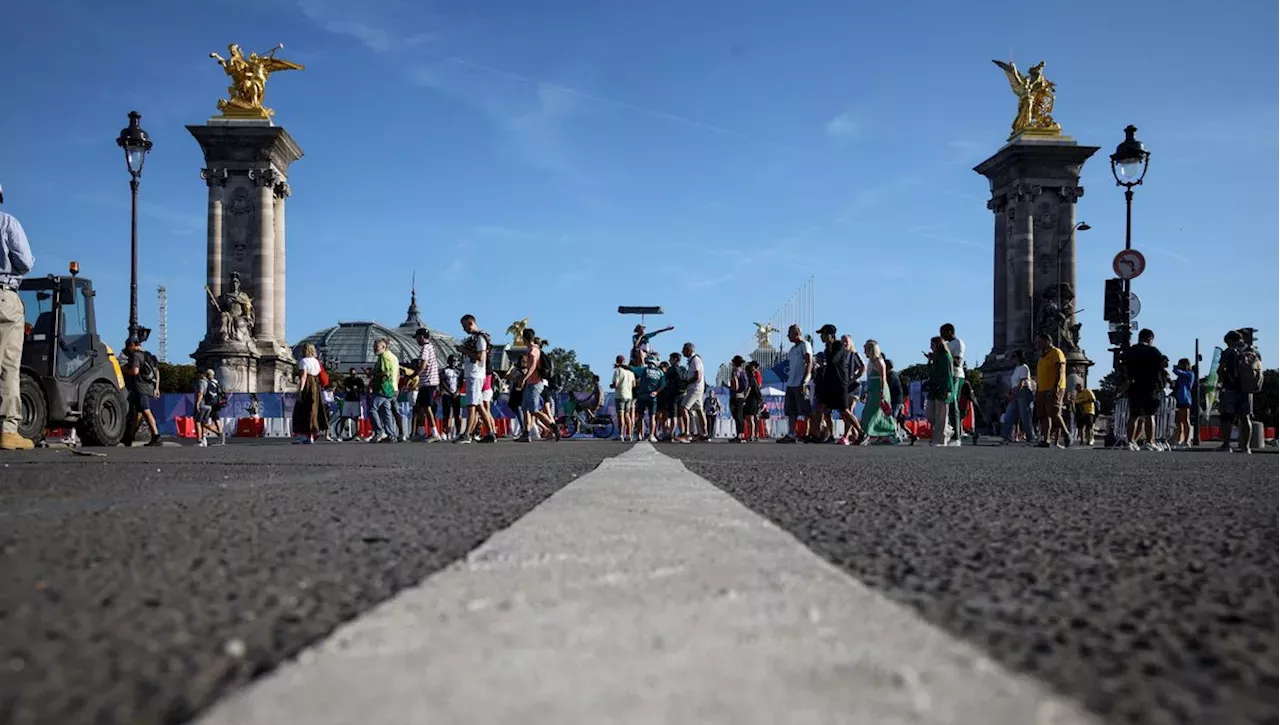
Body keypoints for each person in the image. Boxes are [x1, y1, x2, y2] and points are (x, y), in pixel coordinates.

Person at [0, 185, 34, 450]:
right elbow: (23, 261)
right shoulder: (7, 222)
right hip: (4, 296)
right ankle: (8, 429)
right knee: (7, 365)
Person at [1217, 329, 1261, 455]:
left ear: (1230, 340)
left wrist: (1221, 379)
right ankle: (1246, 447)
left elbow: (1221, 369)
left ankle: (1226, 445)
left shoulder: (1229, 350)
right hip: (1247, 389)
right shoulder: (1253, 350)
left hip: (1230, 387)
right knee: (1245, 417)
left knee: (1226, 417)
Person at [1123, 328, 1164, 451]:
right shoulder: (1153, 351)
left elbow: (1125, 368)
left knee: (1134, 415)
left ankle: (1130, 442)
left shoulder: (1131, 351)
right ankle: (1150, 441)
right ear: (1149, 339)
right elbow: (1161, 367)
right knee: (1149, 415)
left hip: (1135, 386)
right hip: (1150, 386)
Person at [458, 315, 497, 444]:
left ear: (470, 323)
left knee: (471, 405)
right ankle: (491, 433)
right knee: (479, 406)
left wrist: (464, 350)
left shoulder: (480, 338)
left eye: (465, 326)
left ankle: (467, 434)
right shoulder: (476, 338)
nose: (464, 330)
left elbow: (480, 356)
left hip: (475, 374)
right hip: (474, 374)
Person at [516, 327, 559, 443]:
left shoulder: (533, 350)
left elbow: (533, 366)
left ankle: (553, 426)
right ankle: (526, 433)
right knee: (525, 409)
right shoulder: (530, 349)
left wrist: (525, 378)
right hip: (531, 383)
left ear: (524, 338)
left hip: (535, 384)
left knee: (534, 410)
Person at [1034, 332, 1070, 448]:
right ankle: (1046, 439)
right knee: (1043, 415)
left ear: (1046, 341)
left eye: (1039, 342)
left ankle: (1066, 434)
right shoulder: (1041, 357)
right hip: (1042, 389)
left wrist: (1056, 387)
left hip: (1053, 387)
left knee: (1054, 412)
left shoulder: (1056, 353)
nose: (1037, 344)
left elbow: (1060, 371)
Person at [859, 340, 899, 444]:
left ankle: (890, 433)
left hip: (879, 390)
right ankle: (879, 434)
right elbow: (869, 379)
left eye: (866, 349)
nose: (864, 352)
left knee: (875, 413)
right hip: (872, 390)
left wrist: (881, 392)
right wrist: (866, 391)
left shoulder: (879, 361)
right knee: (869, 413)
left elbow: (883, 378)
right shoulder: (871, 362)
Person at [779, 325, 812, 444]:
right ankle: (791, 434)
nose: (788, 336)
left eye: (790, 333)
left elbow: (809, 362)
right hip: (791, 383)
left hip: (800, 382)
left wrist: (804, 380)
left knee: (805, 409)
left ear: (796, 333)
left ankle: (811, 433)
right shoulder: (792, 350)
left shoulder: (805, 345)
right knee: (791, 411)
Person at [292, 343, 329, 444]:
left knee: (301, 410)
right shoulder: (316, 362)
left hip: (308, 386)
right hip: (315, 386)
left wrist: (301, 389)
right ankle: (313, 433)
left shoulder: (303, 361)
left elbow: (304, 376)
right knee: (313, 410)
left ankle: (303, 435)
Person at [1000, 350, 1037, 445]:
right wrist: (1010, 392)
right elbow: (1014, 383)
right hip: (1015, 392)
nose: (1012, 359)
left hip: (1023, 392)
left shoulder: (1024, 367)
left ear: (1019, 357)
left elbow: (1022, 382)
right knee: (1009, 414)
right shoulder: (1017, 368)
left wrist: (1014, 394)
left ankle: (1030, 437)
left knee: (1025, 416)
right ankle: (1006, 436)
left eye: (1014, 356)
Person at [368, 338, 399, 443]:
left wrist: (373, 374)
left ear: (384, 347)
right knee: (386, 412)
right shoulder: (393, 357)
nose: (374, 349)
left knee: (372, 409)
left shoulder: (383, 356)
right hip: (392, 388)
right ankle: (391, 435)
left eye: (376, 347)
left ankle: (379, 432)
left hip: (383, 388)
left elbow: (386, 373)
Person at [940, 323, 966, 446]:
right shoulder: (947, 344)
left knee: (953, 402)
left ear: (950, 331)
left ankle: (957, 436)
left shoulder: (958, 343)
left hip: (956, 375)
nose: (941, 335)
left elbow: (957, 361)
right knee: (946, 405)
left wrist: (945, 354)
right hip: (947, 376)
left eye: (943, 332)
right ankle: (950, 432)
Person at [926, 336, 955, 447]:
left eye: (932, 344)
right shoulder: (937, 358)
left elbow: (948, 375)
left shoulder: (945, 357)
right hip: (934, 389)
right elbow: (931, 373)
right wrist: (930, 361)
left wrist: (946, 389)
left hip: (943, 388)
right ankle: (947, 430)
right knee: (930, 415)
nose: (931, 347)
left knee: (941, 416)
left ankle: (940, 439)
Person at [632, 353, 667, 442]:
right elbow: (663, 385)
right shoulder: (660, 372)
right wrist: (656, 392)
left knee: (640, 416)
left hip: (642, 396)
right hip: (652, 397)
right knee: (652, 417)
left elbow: (631, 368)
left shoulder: (644, 370)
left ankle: (639, 435)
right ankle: (651, 435)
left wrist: (621, 365)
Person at [611, 355, 637, 442]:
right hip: (629, 395)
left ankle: (621, 434)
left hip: (620, 395)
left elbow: (616, 384)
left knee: (620, 415)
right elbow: (634, 385)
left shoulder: (618, 371)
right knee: (627, 415)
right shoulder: (630, 372)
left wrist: (612, 386)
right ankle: (629, 435)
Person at [1172, 358, 1195, 448]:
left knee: (1185, 420)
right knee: (1179, 421)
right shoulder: (1182, 376)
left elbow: (1178, 372)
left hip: (1185, 399)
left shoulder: (1189, 374)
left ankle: (1187, 440)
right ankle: (1179, 439)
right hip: (1179, 399)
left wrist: (1175, 368)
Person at [728, 356, 748, 442]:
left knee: (736, 416)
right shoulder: (743, 372)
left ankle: (738, 435)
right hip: (742, 396)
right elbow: (746, 385)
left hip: (735, 396)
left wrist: (732, 388)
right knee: (740, 416)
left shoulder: (735, 372)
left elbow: (735, 385)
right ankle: (741, 434)